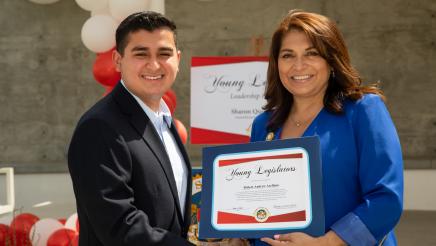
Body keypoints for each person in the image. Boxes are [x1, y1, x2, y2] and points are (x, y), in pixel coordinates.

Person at [250, 10, 403, 246]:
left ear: (331, 60)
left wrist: (327, 242)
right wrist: (239, 236)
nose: (298, 65)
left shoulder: (364, 111)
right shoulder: (264, 125)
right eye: (287, 55)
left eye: (311, 54)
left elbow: (386, 199)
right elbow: (257, 202)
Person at [68, 11, 194, 245]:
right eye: (141, 54)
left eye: (164, 54)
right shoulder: (99, 127)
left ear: (178, 59)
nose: (154, 65)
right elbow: (119, 227)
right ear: (117, 60)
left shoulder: (164, 119)